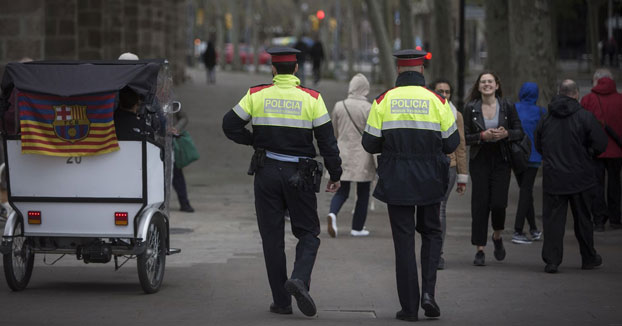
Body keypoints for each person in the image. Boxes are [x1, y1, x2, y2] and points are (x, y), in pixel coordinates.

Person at [222, 46, 342, 317]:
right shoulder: (313, 98)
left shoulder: (256, 95)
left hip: (266, 172)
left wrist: (254, 140)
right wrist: (335, 174)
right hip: (300, 174)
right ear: (297, 69)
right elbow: (327, 142)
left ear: (273, 69)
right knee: (308, 233)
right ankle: (299, 279)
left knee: (272, 238)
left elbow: (229, 125)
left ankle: (282, 302)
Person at [362, 49, 459, 321]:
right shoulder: (438, 101)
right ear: (422, 72)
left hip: (397, 181)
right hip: (431, 179)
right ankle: (429, 294)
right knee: (431, 233)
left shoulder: (383, 101)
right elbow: (452, 143)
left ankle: (408, 307)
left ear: (398, 71)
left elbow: (369, 143)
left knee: (403, 242)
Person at [535, 79, 608, 273]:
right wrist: (589, 153)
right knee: (583, 219)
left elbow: (538, 144)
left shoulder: (546, 118)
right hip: (581, 177)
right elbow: (601, 144)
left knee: (553, 222)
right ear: (576, 94)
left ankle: (552, 260)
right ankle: (588, 257)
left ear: (559, 92)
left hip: (554, 177)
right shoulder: (585, 117)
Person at [462, 71, 524, 266]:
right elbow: (464, 137)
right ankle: (479, 248)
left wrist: (506, 133)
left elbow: (519, 132)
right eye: (483, 82)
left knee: (498, 202)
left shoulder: (507, 106)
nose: (487, 84)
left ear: (497, 85)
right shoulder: (470, 108)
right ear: (479, 86)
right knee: (480, 204)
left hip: (501, 159)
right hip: (479, 160)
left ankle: (497, 235)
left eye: (490, 81)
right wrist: (482, 137)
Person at [327, 73, 375, 238]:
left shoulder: (339, 106)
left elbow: (334, 130)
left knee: (341, 190)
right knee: (363, 192)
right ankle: (357, 227)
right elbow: (373, 133)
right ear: (365, 89)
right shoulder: (368, 108)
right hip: (363, 154)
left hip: (343, 152)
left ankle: (333, 214)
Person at [429, 79, 468, 270]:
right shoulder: (426, 110)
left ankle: (437, 254)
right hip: (427, 167)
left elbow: (461, 146)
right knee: (428, 210)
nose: (444, 95)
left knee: (440, 208)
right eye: (440, 91)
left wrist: (463, 176)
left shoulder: (456, 114)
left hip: (449, 167)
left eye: (447, 92)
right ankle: (428, 250)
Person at [580, 68, 622, 231]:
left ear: (596, 80)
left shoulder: (588, 99)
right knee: (615, 184)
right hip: (617, 150)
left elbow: (581, 124)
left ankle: (598, 220)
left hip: (595, 149)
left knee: (596, 185)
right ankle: (615, 219)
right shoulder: (620, 99)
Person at [511, 82, 545, 244]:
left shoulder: (513, 109)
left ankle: (533, 228)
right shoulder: (540, 112)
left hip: (516, 156)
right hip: (533, 157)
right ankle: (518, 230)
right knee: (526, 192)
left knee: (526, 192)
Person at [171, 110, 194, 212]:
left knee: (177, 174)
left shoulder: (171, 99)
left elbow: (184, 117)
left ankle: (184, 202)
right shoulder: (147, 97)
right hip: (154, 141)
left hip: (171, 142)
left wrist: (176, 128)